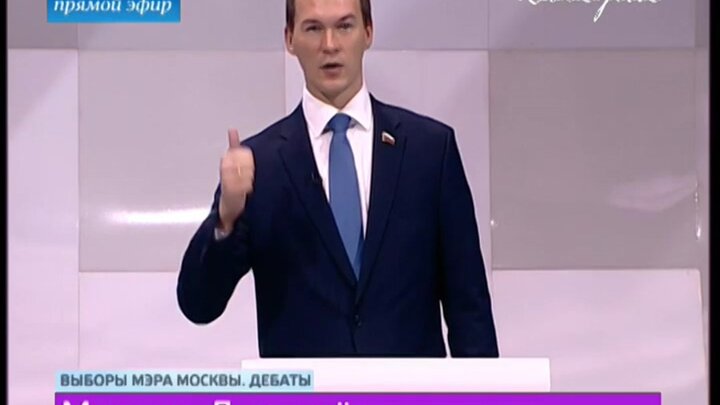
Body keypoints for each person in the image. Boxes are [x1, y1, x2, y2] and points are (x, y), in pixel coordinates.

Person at [177, 0, 499, 358]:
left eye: (344, 26)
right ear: (289, 39)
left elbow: (469, 308)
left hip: (408, 387)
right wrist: (226, 219)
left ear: (368, 32)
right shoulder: (259, 165)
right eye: (313, 28)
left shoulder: (429, 151)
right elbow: (198, 304)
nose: (329, 44)